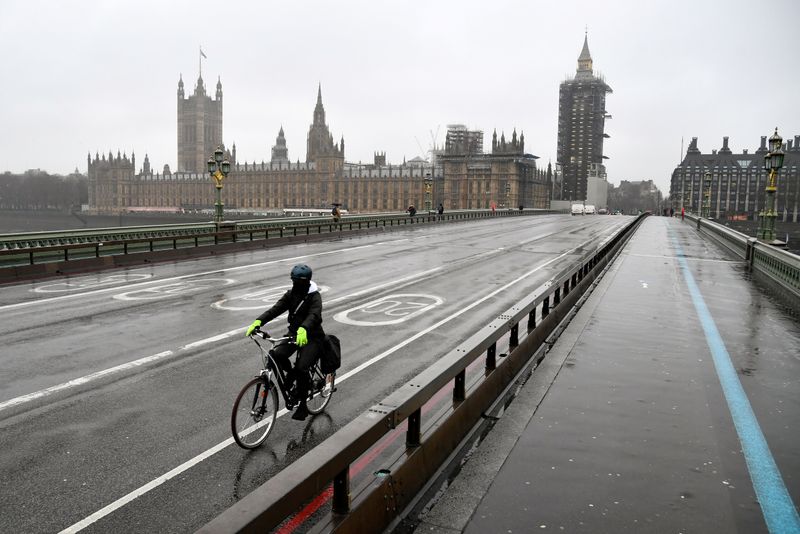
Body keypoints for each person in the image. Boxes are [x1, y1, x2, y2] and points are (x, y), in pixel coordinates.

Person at [245, 264, 324, 421]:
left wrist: (304, 328)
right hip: (293, 334)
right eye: (293, 281)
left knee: (302, 368)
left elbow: (314, 315)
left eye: (298, 282)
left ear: (307, 281)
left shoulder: (314, 297)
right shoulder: (291, 294)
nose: (296, 284)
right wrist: (258, 322)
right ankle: (290, 379)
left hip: (313, 336)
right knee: (275, 355)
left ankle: (302, 404)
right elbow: (276, 309)